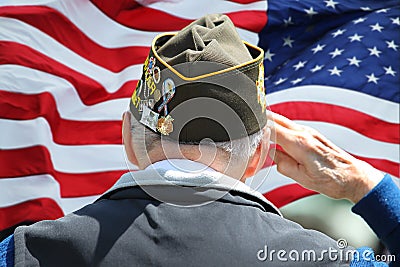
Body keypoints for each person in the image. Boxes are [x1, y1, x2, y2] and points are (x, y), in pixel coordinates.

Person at [0, 14, 399, 266]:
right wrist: (364, 185)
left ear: (126, 136)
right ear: (260, 153)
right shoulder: (318, 260)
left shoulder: (27, 253)